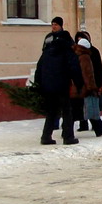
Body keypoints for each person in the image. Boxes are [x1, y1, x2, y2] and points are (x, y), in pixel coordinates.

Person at [35, 17, 81, 145]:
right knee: (66, 110)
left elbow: (40, 65)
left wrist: (39, 81)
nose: (54, 26)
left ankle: (46, 136)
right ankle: (68, 137)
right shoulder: (66, 45)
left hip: (49, 83)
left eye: (56, 24)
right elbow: (73, 64)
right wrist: (78, 82)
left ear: (61, 25)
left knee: (51, 111)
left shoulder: (48, 48)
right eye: (52, 24)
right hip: (61, 83)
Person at [70, 35, 102, 137]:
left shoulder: (74, 55)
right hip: (84, 88)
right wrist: (92, 87)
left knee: (75, 111)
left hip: (75, 87)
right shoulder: (85, 57)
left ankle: (67, 132)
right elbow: (88, 74)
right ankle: (99, 129)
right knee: (91, 108)